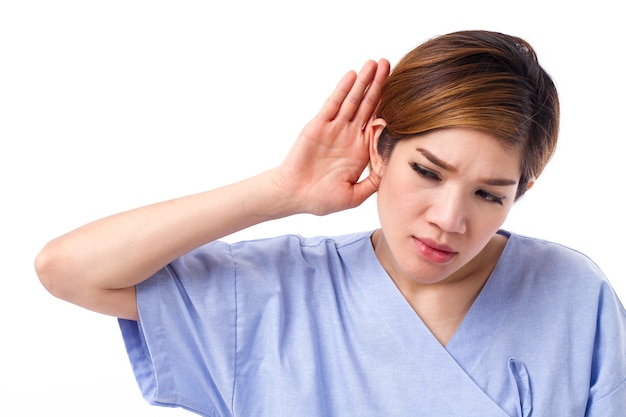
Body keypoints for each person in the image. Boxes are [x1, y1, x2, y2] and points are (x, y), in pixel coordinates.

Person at [35, 30, 626, 416]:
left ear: (523, 191)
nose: (449, 219)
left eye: (489, 195)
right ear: (379, 147)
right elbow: (67, 270)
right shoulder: (274, 295)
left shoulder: (572, 294)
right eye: (426, 171)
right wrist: (277, 192)